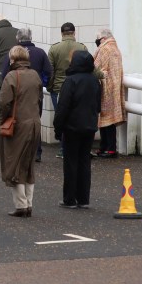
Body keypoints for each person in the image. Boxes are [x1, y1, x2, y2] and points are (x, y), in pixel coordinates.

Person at [0, 45, 43, 217]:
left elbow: (4, 103)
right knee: (28, 164)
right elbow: (39, 99)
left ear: (12, 59)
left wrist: (3, 121)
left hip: (18, 125)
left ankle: (20, 205)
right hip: (34, 123)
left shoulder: (11, 76)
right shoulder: (35, 75)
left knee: (14, 163)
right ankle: (29, 204)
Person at [53, 50, 101, 209]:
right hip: (89, 127)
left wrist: (58, 128)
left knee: (71, 163)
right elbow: (98, 105)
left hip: (72, 127)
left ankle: (69, 199)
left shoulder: (70, 81)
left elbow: (63, 107)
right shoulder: (95, 81)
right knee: (84, 161)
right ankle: (83, 199)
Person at [0, 27, 52, 162]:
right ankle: (36, 152)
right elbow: (48, 72)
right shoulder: (40, 53)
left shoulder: (12, 53)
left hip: (17, 94)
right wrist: (42, 84)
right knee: (35, 121)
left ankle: (19, 151)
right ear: (31, 37)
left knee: (17, 122)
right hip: (36, 94)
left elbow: (4, 74)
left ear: (17, 39)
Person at [47, 23, 88, 158]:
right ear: (74, 33)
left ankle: (64, 149)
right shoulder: (82, 47)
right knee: (75, 117)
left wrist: (50, 87)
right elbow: (88, 67)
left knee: (62, 118)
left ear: (62, 34)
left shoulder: (54, 49)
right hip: (78, 88)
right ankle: (75, 148)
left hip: (59, 88)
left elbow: (50, 71)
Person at [93, 28, 125, 157]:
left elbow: (95, 66)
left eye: (99, 39)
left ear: (104, 39)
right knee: (110, 118)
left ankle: (108, 148)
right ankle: (107, 147)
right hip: (115, 86)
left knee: (105, 118)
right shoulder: (116, 49)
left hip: (105, 87)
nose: (98, 42)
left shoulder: (105, 49)